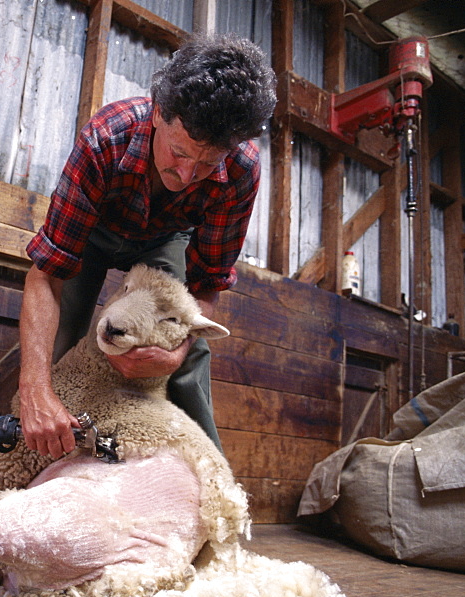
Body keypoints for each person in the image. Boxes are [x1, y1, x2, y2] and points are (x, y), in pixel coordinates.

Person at [18, 33, 277, 458]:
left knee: (188, 351)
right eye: (179, 153)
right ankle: (22, 461)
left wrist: (173, 355)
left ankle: (210, 484)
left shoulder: (242, 169)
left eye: (208, 164)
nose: (189, 175)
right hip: (94, 230)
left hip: (167, 235)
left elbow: (207, 284)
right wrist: (35, 388)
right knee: (62, 335)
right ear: (158, 113)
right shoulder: (107, 137)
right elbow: (46, 274)